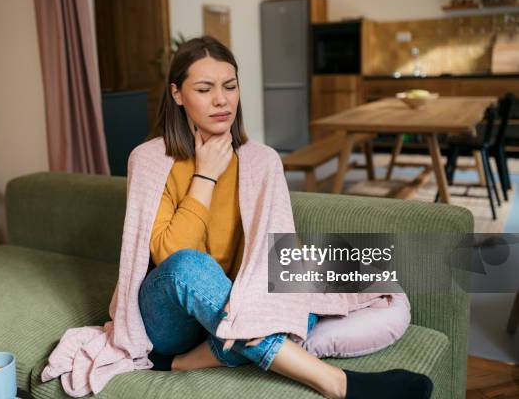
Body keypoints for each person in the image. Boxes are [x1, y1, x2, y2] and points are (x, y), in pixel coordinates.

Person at [137, 36, 433, 399]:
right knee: (189, 265)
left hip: (231, 304)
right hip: (173, 314)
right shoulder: (150, 160)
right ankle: (336, 382)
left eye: (230, 86)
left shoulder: (261, 160)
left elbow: (275, 252)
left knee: (301, 293)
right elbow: (170, 257)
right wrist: (206, 175)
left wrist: (270, 299)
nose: (222, 99)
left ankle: (184, 361)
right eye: (204, 88)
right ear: (178, 94)